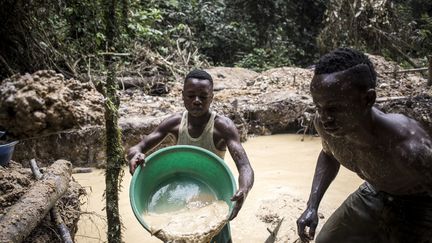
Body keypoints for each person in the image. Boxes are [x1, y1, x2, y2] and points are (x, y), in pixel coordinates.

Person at [296, 48, 432, 243]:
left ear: (368, 99)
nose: (325, 118)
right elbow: (328, 154)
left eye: (334, 108)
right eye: (319, 107)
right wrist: (312, 206)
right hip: (374, 191)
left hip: (420, 204)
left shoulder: (408, 147)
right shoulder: (326, 126)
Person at [127, 69, 254, 243]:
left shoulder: (222, 127)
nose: (196, 101)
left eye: (203, 96)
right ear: (183, 96)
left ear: (212, 97)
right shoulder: (175, 123)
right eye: (191, 95)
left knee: (220, 237)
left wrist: (244, 189)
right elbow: (137, 147)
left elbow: (245, 167)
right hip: (180, 196)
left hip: (214, 195)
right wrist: (136, 155)